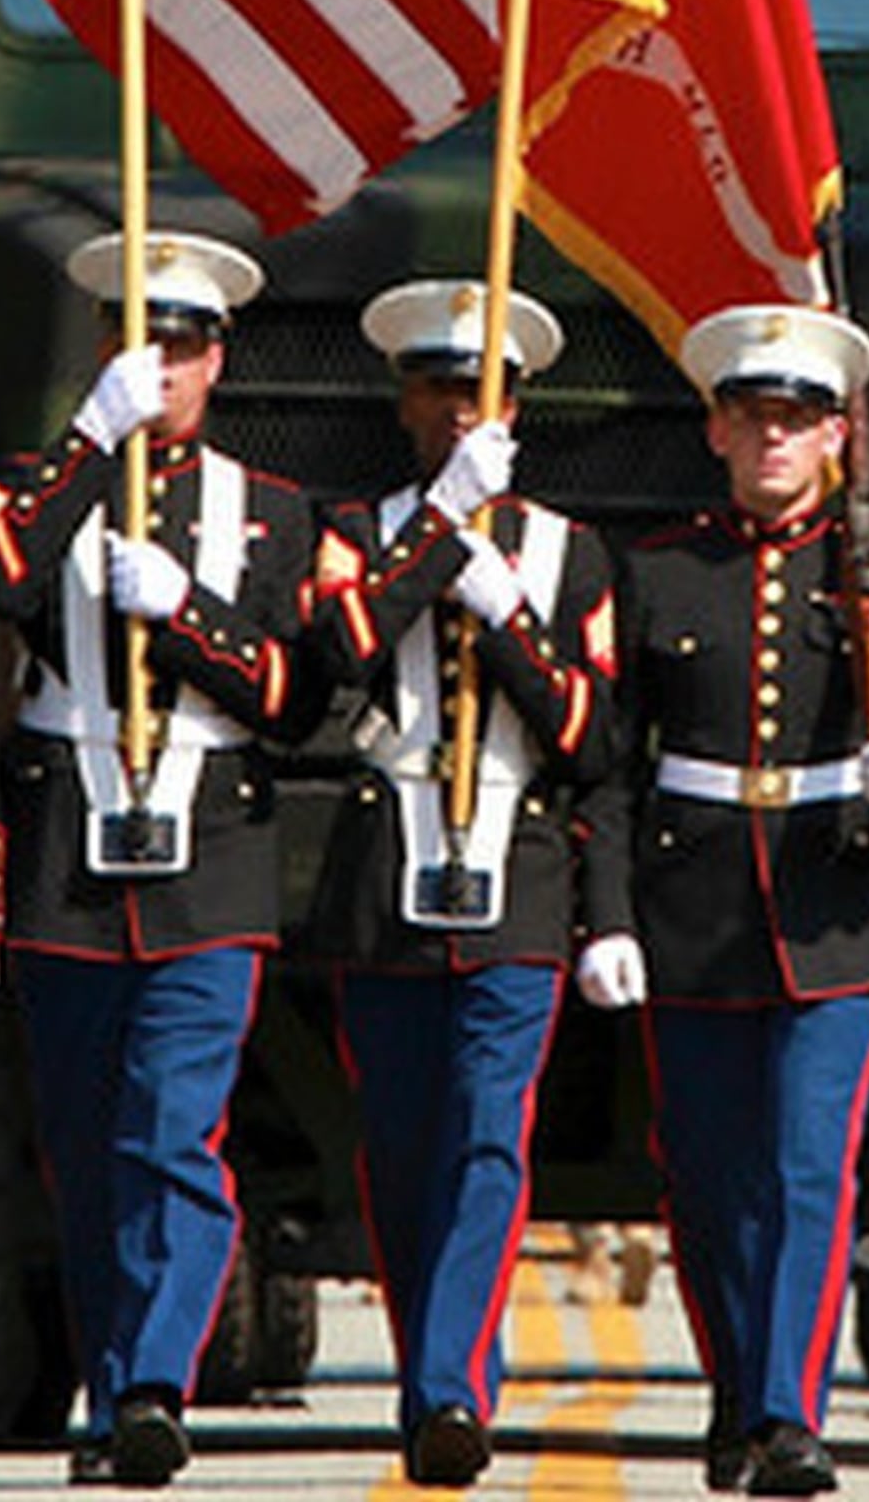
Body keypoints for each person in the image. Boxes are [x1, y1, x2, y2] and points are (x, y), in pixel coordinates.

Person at [598, 301, 869, 1500]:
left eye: (797, 420)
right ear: (716, 430)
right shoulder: (660, 572)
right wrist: (610, 915)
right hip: (694, 904)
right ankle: (737, 1392)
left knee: (810, 1166)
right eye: (753, 417)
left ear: (833, 438)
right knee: (710, 1181)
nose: (774, 438)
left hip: (836, 908)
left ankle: (787, 1415)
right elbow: (611, 766)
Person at [0, 230, 314, 1490]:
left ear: (217, 361)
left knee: (172, 1128)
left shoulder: (269, 511)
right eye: (136, 340)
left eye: (182, 345)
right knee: (84, 1141)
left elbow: (291, 695)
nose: (159, 364)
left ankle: (158, 1381)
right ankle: (114, 1395)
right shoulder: (35, 486)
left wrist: (188, 614)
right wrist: (85, 440)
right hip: (68, 837)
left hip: (209, 847)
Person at [297, 279, 618, 1487]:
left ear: (514, 410)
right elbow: (341, 649)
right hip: (388, 862)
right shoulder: (354, 528)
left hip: (515, 871)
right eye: (436, 390)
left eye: (478, 393)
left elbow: (588, 732)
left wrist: (508, 611)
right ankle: (434, 1371)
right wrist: (438, 533)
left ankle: (447, 1391)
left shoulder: (570, 553)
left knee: (488, 1133)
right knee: (399, 1150)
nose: (455, 412)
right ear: (404, 403)